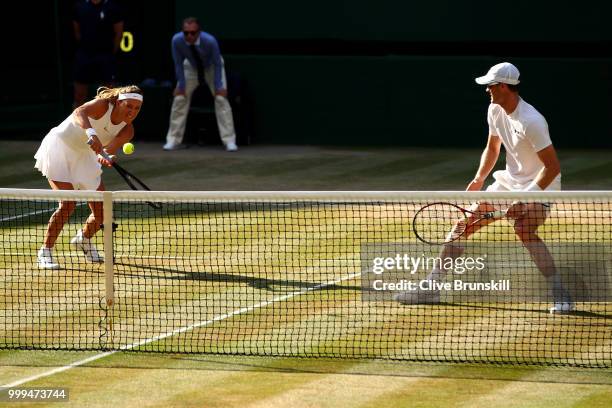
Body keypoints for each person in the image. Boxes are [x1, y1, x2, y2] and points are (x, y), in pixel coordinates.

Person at [395, 62, 573, 314]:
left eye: (490, 86)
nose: (486, 90)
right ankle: (431, 287)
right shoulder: (494, 110)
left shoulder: (532, 121)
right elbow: (493, 147)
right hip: (509, 182)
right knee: (462, 225)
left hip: (542, 184)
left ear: (502, 86)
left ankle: (560, 293)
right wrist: (479, 178)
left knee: (524, 229)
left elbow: (552, 168)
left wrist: (525, 198)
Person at [34, 86, 143, 269]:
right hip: (59, 147)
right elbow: (79, 111)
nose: (132, 111)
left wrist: (106, 156)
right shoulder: (102, 105)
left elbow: (106, 151)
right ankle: (45, 251)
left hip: (85, 156)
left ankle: (83, 239)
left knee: (103, 211)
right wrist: (91, 133)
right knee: (68, 204)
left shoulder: (127, 131)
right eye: (128, 106)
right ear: (118, 102)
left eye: (137, 108)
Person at [163, 17, 238, 152]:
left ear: (199, 32)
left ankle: (229, 140)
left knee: (221, 99)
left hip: (212, 67)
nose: (189, 36)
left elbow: (217, 62)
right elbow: (178, 63)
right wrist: (180, 86)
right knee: (180, 99)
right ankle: (173, 140)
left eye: (193, 32)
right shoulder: (177, 40)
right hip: (191, 67)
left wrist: (219, 86)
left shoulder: (210, 41)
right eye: (186, 33)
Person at [72, 0, 124, 108]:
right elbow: (77, 31)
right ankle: (79, 123)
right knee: (79, 95)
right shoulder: (80, 6)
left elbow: (118, 33)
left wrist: (109, 53)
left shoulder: (112, 7)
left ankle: (109, 123)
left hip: (106, 56)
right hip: (85, 55)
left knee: (110, 95)